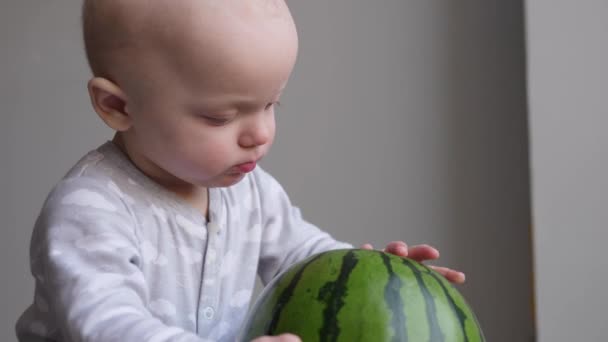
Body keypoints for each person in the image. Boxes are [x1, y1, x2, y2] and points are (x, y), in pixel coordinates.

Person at [15, 1, 465, 341]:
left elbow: (306, 260)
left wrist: (387, 280)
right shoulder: (89, 210)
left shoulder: (252, 193)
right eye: (220, 117)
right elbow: (106, 324)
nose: (260, 134)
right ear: (117, 106)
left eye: (271, 104)